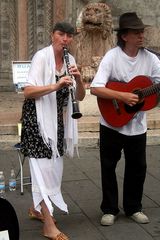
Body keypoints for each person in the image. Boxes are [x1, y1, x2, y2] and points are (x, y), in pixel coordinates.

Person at [90, 12, 160, 226]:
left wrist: (143, 96)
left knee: (138, 167)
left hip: (137, 125)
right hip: (111, 121)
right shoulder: (112, 57)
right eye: (136, 33)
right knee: (108, 166)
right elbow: (95, 88)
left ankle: (133, 207)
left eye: (142, 32)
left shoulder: (151, 59)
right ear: (124, 36)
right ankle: (109, 209)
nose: (141, 36)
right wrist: (122, 96)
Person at [20, 21, 85, 240]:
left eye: (69, 35)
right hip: (36, 119)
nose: (65, 39)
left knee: (54, 166)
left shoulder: (71, 60)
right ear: (52, 36)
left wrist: (78, 78)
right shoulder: (41, 57)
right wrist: (56, 85)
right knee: (43, 170)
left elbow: (81, 96)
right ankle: (48, 225)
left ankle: (37, 209)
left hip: (57, 120)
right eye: (61, 34)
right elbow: (28, 91)